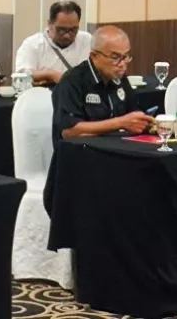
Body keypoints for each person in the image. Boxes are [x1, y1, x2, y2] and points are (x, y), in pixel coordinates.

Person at [44, 25, 154, 215]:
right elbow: (70, 131)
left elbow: (132, 113)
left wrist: (146, 123)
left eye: (126, 56)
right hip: (78, 165)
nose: (122, 64)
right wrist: (120, 123)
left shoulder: (119, 79)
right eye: (115, 57)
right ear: (94, 56)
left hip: (112, 158)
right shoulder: (72, 82)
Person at [15, 0, 92, 86]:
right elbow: (21, 75)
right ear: (49, 24)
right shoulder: (32, 44)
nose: (67, 35)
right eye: (61, 30)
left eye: (73, 30)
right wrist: (51, 74)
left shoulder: (86, 40)